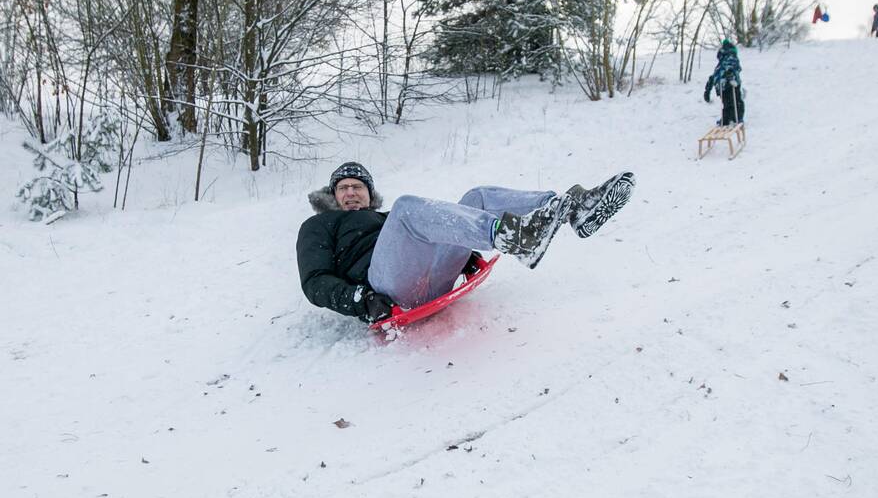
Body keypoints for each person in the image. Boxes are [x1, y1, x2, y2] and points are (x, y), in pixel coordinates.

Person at [296, 162, 636, 322]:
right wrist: (362, 299)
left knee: (477, 197)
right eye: (344, 187)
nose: (351, 192)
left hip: (430, 279)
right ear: (334, 196)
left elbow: (441, 229)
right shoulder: (318, 225)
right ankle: (515, 236)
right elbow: (315, 282)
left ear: (370, 194)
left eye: (358, 186)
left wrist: (467, 255)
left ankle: (571, 208)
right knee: (407, 207)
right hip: (384, 290)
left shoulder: (386, 221)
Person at [703, 38, 745, 125]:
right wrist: (708, 90)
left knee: (730, 102)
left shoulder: (725, 60)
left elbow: (715, 76)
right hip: (727, 84)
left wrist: (708, 89)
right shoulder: (728, 59)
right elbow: (715, 75)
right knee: (732, 102)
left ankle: (731, 118)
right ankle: (732, 118)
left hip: (726, 84)